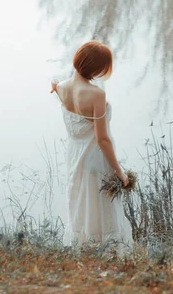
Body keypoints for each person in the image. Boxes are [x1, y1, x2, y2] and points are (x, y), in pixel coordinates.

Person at [50, 41, 133, 251]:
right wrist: (120, 173)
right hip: (95, 158)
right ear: (97, 68)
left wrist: (55, 86)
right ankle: (108, 249)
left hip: (74, 155)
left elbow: (56, 88)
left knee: (80, 200)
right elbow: (102, 139)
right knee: (102, 205)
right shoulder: (96, 95)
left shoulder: (61, 87)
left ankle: (84, 247)